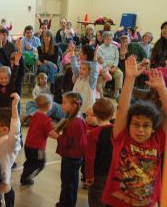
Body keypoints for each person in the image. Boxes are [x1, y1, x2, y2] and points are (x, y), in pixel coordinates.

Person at [102, 57, 167, 206]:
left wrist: (162, 88)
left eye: (146, 126)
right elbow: (123, 109)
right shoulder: (122, 137)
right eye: (136, 124)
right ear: (128, 125)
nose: (141, 130)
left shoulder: (157, 140)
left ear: (153, 129)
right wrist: (130, 78)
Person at [0, 77, 21, 207]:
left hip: (2, 188)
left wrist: (14, 108)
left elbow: (15, 131)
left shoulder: (9, 143)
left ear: (5, 129)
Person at [52, 92, 87, 207]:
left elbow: (69, 142)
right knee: (73, 183)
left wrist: (57, 136)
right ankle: (69, 203)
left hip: (70, 158)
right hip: (77, 157)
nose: (62, 105)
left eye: (64, 103)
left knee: (67, 184)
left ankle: (65, 204)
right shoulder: (80, 119)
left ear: (73, 106)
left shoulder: (73, 123)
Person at [21, 94, 55, 185]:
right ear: (49, 106)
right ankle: (26, 177)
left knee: (29, 161)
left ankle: (24, 176)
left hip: (28, 145)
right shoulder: (47, 119)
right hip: (38, 147)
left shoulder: (35, 115)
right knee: (40, 164)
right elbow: (50, 133)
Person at [85, 98, 114, 207]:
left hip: (98, 176)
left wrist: (89, 175)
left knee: (96, 199)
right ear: (112, 114)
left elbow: (89, 157)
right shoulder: (116, 130)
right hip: (113, 174)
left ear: (95, 114)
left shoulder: (93, 134)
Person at [97, 31, 123, 98]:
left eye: (110, 39)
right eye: (107, 39)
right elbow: (100, 60)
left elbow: (117, 58)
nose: (109, 41)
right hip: (103, 67)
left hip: (113, 66)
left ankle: (116, 94)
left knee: (120, 74)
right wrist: (107, 67)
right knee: (101, 76)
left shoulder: (114, 47)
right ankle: (100, 94)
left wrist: (114, 66)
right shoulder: (100, 48)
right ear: (103, 39)